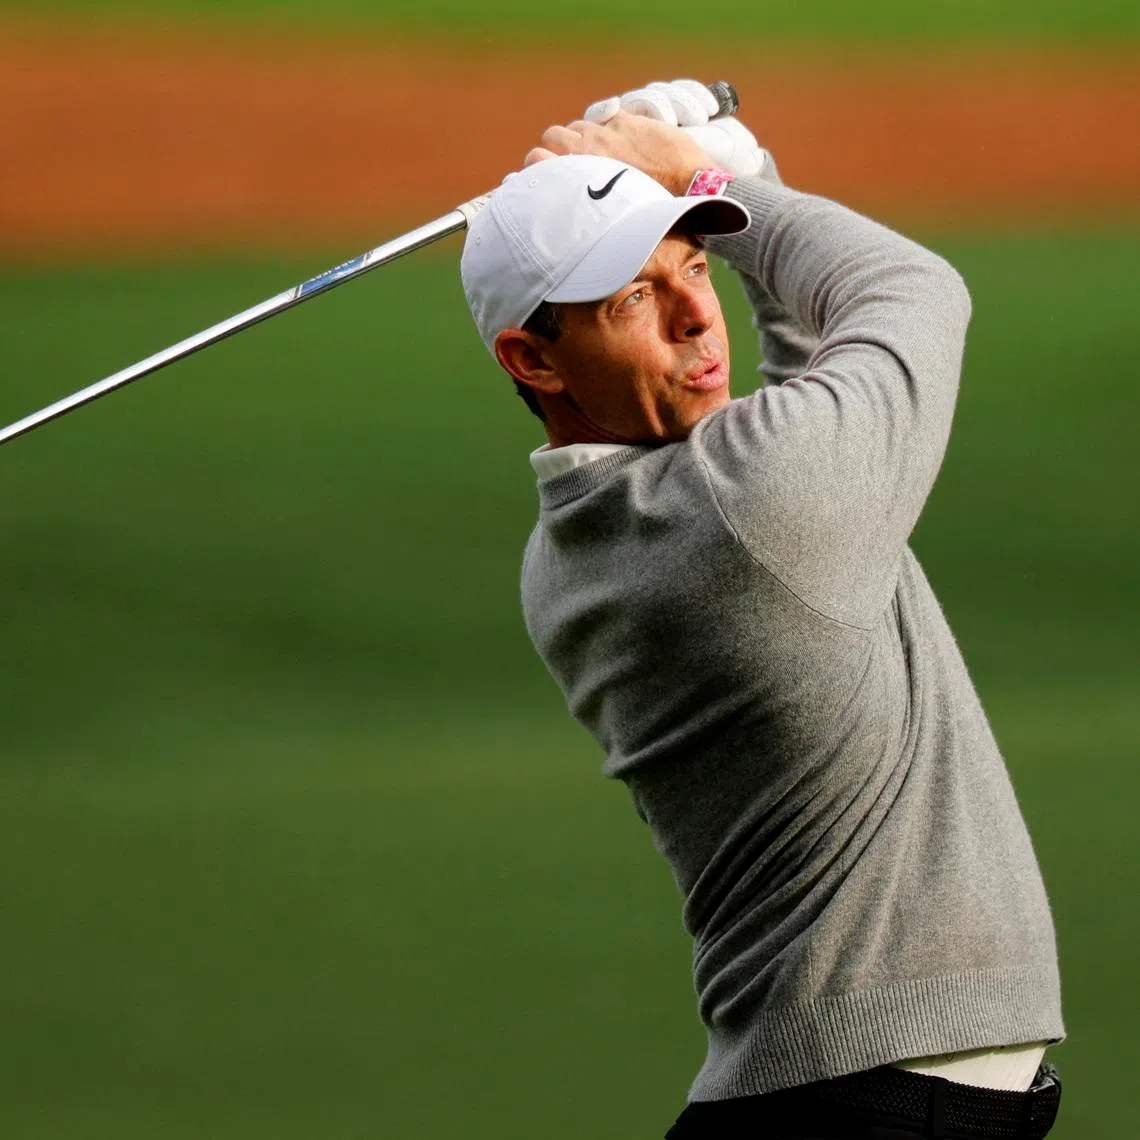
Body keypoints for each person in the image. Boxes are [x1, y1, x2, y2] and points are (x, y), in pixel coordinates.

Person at [459, 81, 1064, 1139]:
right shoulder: (748, 505)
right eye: (632, 298)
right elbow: (908, 290)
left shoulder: (577, 541)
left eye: (696, 262)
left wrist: (717, 181)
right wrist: (714, 177)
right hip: (873, 1100)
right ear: (532, 358)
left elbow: (796, 384)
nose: (699, 314)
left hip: (848, 1091)